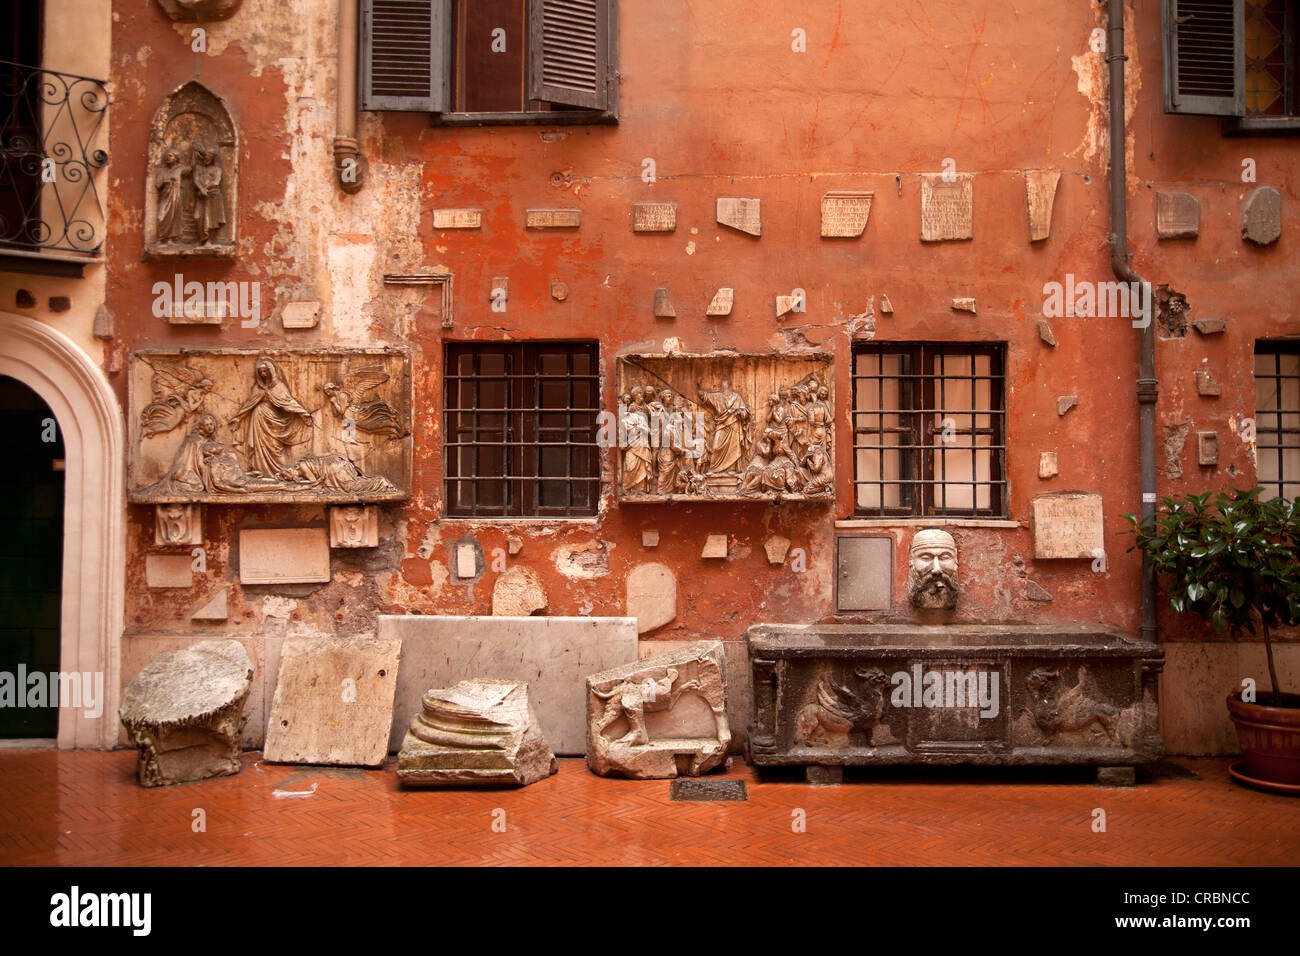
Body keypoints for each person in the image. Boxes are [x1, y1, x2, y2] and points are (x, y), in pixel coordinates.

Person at [229, 357, 313, 478]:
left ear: (272, 371)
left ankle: (282, 473)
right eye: (261, 372)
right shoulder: (257, 389)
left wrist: (302, 413)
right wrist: (238, 417)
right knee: (259, 449)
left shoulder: (279, 387)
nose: (263, 374)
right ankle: (261, 472)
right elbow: (248, 405)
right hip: (258, 421)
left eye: (265, 371)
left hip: (274, 422)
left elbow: (288, 402)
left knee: (275, 449)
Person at [696, 378, 750, 474]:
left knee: (734, 448)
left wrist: (739, 412)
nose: (724, 386)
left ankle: (732, 469)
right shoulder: (717, 397)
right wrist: (699, 385)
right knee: (716, 447)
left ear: (729, 385)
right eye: (722, 384)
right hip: (721, 424)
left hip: (733, 425)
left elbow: (744, 412)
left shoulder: (736, 397)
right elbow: (703, 395)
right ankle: (713, 469)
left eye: (726, 384)